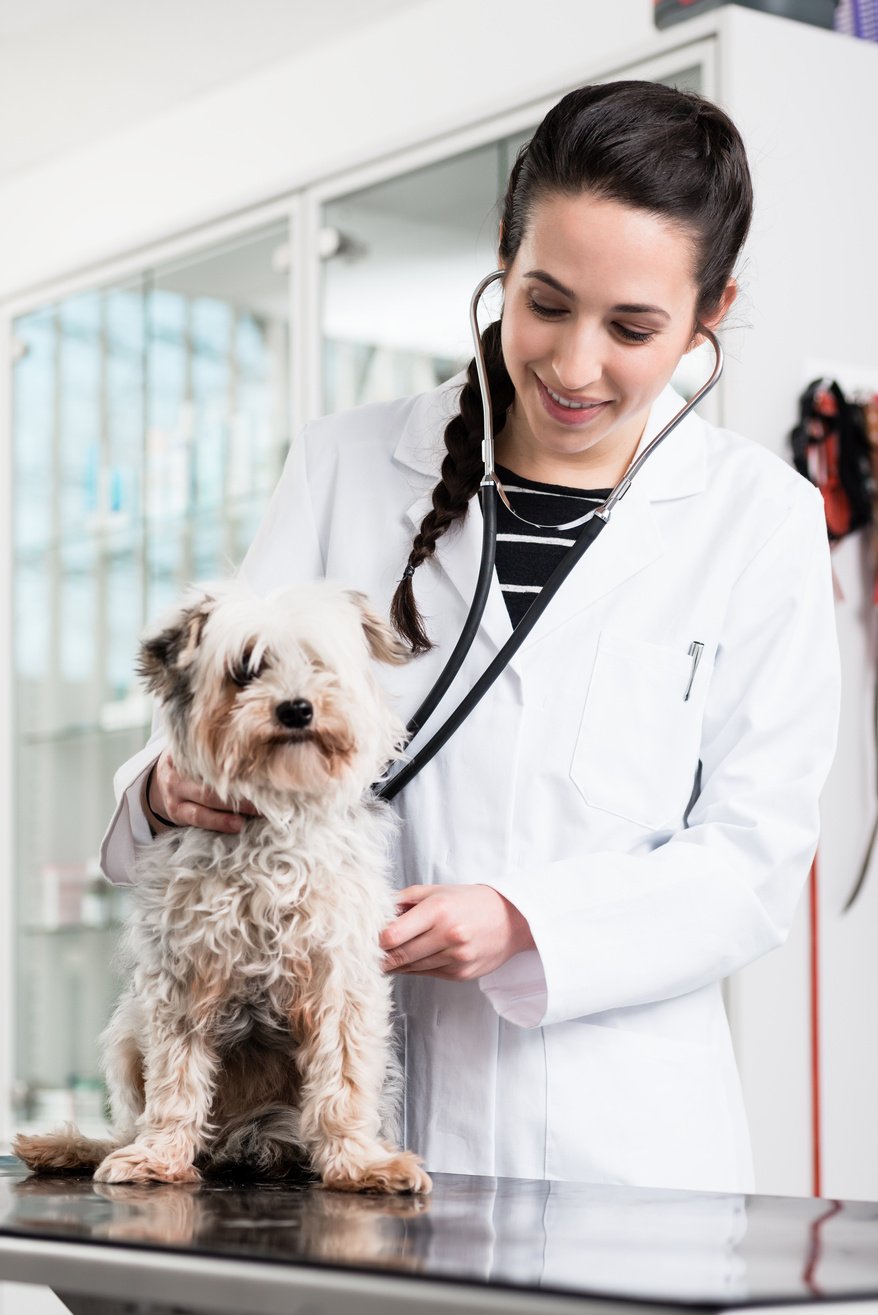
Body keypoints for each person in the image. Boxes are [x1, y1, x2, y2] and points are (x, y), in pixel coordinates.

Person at [100, 80, 840, 1194]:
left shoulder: (759, 519)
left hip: (621, 1143)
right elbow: (222, 704)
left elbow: (752, 855)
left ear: (710, 313)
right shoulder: (345, 461)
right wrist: (162, 788)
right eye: (542, 302)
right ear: (500, 251)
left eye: (633, 327)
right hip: (332, 1130)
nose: (574, 365)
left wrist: (524, 921)